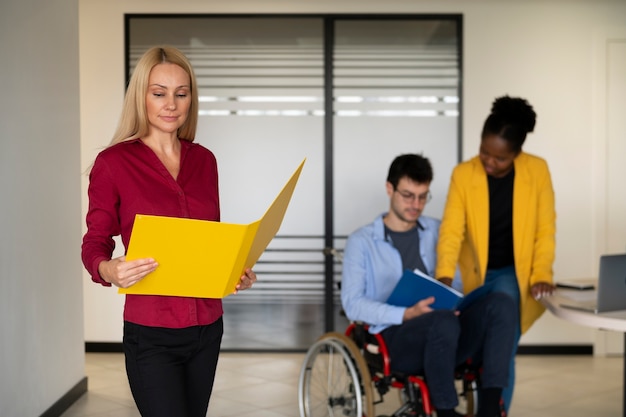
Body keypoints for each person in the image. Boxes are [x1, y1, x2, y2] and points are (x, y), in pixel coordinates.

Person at [81, 46, 257, 417]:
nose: (171, 104)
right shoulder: (113, 163)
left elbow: (209, 239)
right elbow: (95, 240)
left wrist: (235, 269)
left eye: (182, 93)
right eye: (159, 93)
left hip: (208, 325)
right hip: (152, 331)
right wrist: (106, 268)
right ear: (140, 97)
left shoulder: (205, 161)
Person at [341, 154, 516, 417]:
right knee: (441, 320)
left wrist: (458, 301)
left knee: (502, 303)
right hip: (396, 339)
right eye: (408, 195)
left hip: (450, 333)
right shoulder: (361, 242)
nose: (416, 204)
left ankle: (491, 407)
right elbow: (352, 304)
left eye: (423, 196)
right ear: (390, 189)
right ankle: (446, 411)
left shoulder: (438, 231)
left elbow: (456, 281)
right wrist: (406, 314)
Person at [436, 95, 556, 412]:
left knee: (502, 348)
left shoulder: (537, 171)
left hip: (512, 275)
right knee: (466, 342)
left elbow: (545, 230)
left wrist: (542, 273)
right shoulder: (464, 174)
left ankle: (496, 408)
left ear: (517, 154)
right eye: (484, 152)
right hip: (472, 274)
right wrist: (444, 274)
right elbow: (451, 230)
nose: (488, 162)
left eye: (499, 159)